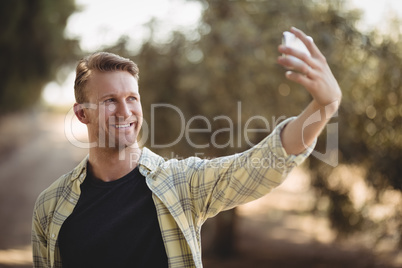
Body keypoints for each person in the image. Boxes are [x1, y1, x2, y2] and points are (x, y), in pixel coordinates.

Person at [31, 27, 341, 268]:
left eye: (132, 99)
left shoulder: (180, 183)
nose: (126, 112)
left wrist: (323, 107)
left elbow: (258, 165)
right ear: (82, 113)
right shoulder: (51, 207)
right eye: (110, 100)